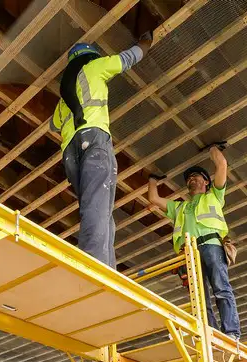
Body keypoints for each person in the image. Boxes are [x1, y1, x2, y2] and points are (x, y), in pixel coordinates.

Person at [51, 34, 152, 268]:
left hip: (70, 154)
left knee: (98, 207)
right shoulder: (94, 67)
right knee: (97, 205)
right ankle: (93, 265)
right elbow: (128, 58)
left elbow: (54, 124)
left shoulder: (63, 100)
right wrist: (147, 41)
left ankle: (107, 267)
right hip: (94, 139)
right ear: (89, 57)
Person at [147, 145, 240, 338]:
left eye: (196, 176)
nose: (191, 179)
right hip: (189, 253)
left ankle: (231, 333)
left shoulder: (214, 195)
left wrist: (212, 149)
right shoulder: (179, 207)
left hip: (212, 246)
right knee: (200, 298)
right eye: (189, 179)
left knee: (221, 289)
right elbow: (154, 197)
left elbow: (222, 164)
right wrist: (153, 179)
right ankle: (211, 334)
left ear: (206, 182)